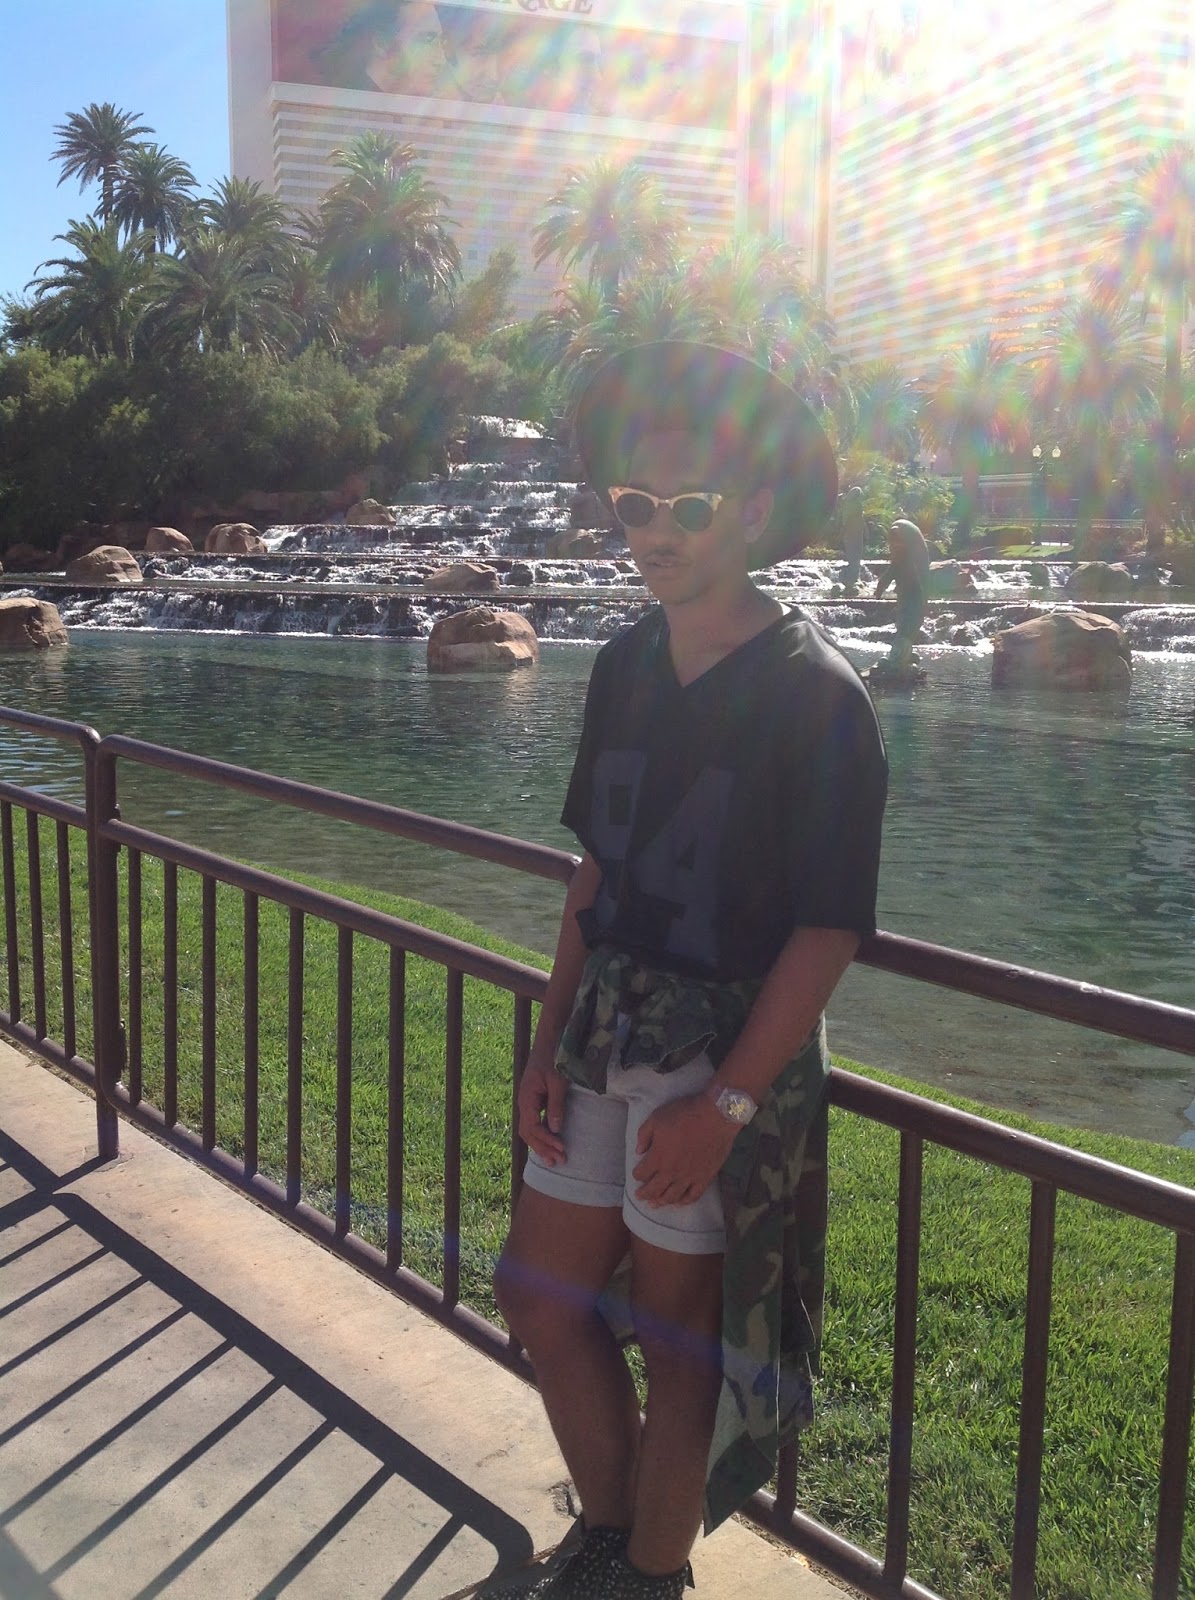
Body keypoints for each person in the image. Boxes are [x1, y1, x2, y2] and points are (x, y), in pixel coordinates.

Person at [491, 343, 888, 1599]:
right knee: (539, 1292)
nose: (655, 532)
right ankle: (610, 1541)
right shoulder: (621, 665)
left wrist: (724, 1104)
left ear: (755, 513)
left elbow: (827, 930)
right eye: (635, 506)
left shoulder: (819, 698)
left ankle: (647, 1573)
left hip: (718, 1052)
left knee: (679, 1339)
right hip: (603, 1033)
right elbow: (594, 875)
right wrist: (545, 1044)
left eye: (690, 507)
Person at [312, 1, 448, 96]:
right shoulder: (338, 103)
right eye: (426, 40)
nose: (441, 60)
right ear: (383, 43)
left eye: (440, 43)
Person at [873, 516, 930, 667]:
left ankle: (902, 653)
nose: (894, 546)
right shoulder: (901, 559)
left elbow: (921, 577)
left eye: (898, 542)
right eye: (893, 543)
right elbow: (889, 574)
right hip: (907, 595)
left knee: (910, 623)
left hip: (914, 594)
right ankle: (900, 653)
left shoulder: (912, 559)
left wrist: (880, 589)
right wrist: (880, 588)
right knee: (905, 623)